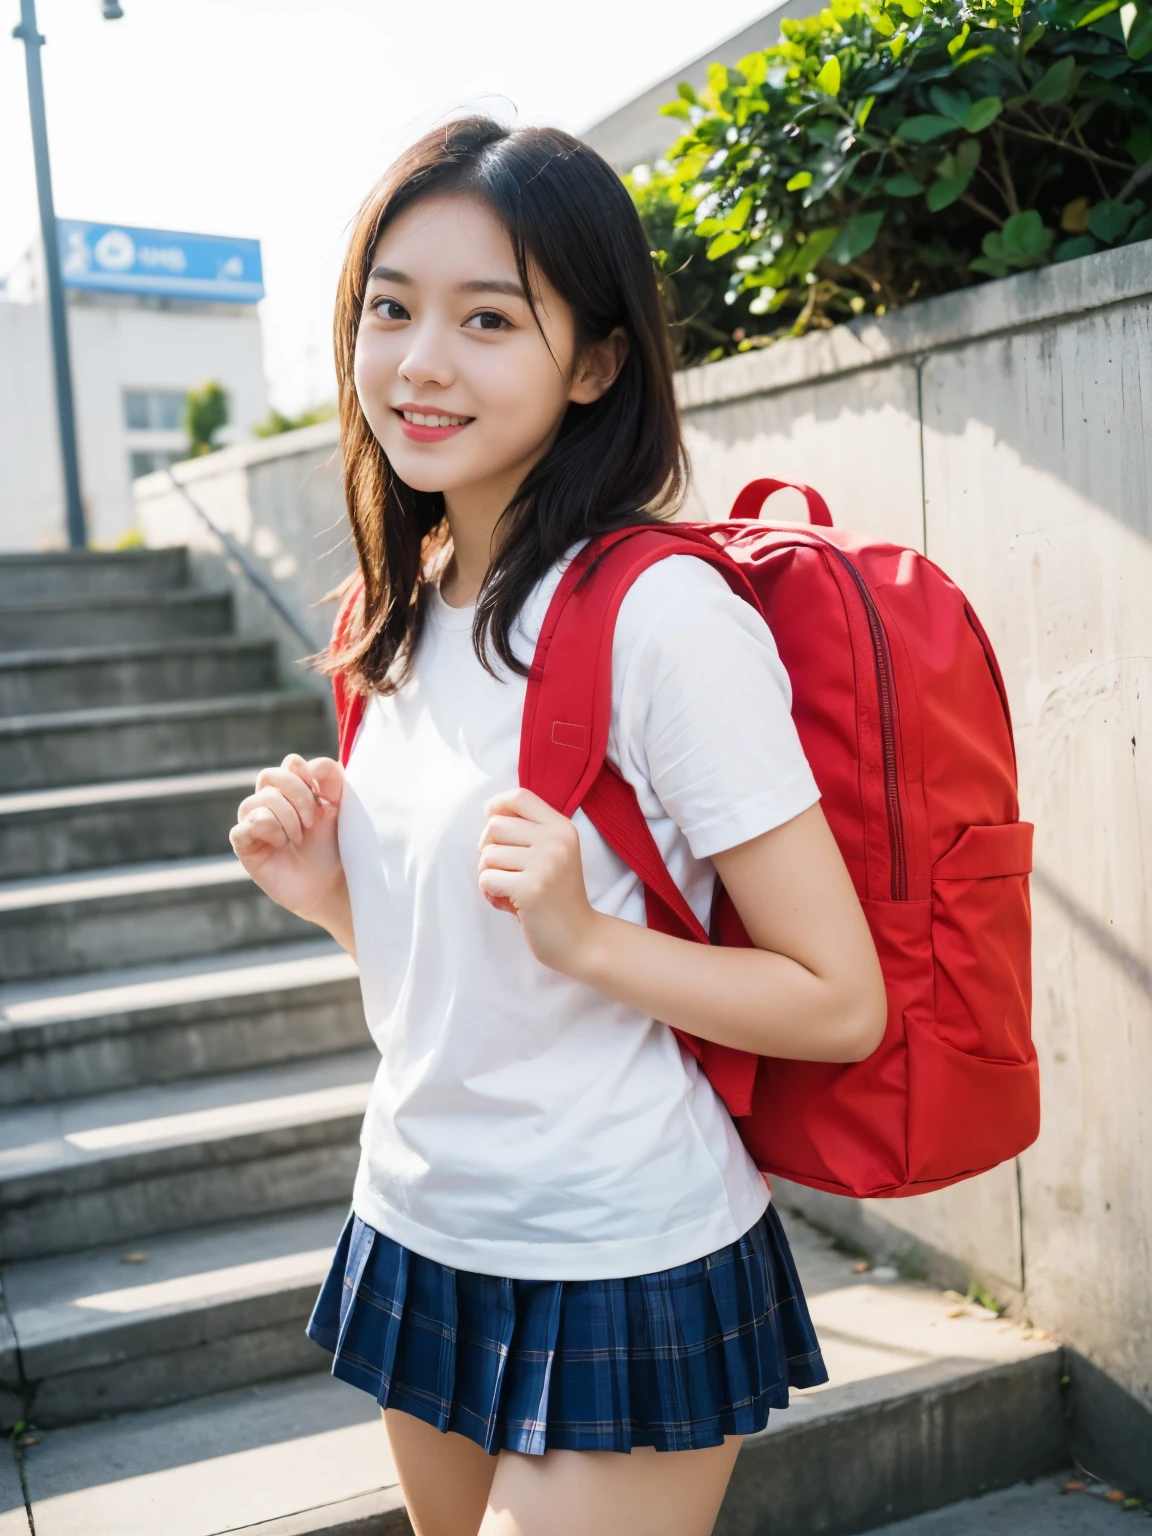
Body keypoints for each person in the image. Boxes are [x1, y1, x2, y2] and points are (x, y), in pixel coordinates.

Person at [229, 116, 887, 1536]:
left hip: (621, 1248)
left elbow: (839, 1002)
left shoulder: (663, 620)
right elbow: (456, 986)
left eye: (487, 318)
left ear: (594, 362)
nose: (420, 362)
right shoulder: (387, 617)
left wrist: (588, 936)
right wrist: (334, 893)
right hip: (418, 1222)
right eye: (391, 308)